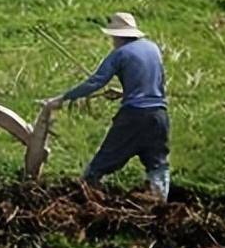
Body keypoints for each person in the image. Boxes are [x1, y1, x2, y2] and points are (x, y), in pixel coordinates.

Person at [45, 12, 170, 202]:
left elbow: (95, 83)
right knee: (158, 165)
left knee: (100, 164)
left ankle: (86, 200)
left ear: (118, 36)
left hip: (133, 117)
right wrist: (123, 92)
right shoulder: (153, 49)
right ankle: (160, 201)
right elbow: (156, 84)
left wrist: (63, 98)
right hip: (159, 116)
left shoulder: (120, 54)